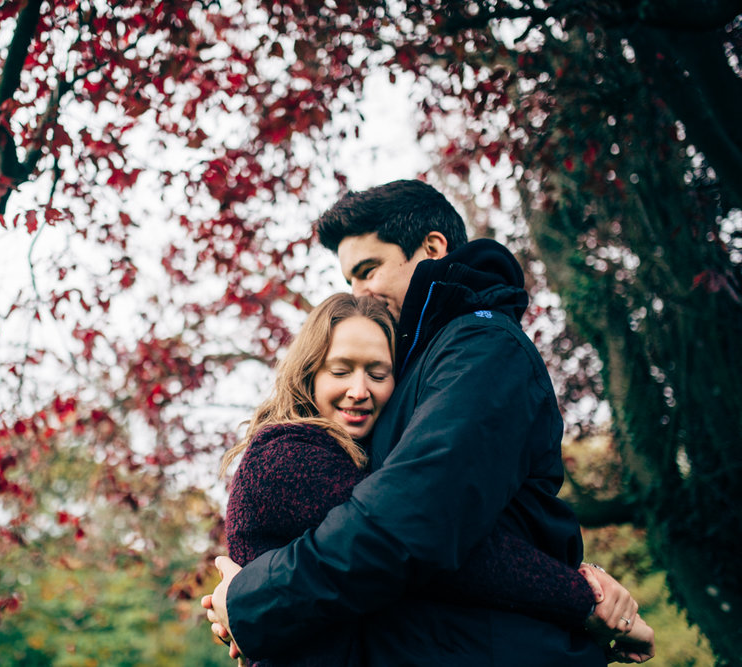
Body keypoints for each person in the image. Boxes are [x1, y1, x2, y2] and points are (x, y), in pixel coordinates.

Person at [203, 180, 657, 665]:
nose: (360, 294)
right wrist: (584, 596)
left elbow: (415, 523)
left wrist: (250, 599)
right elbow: (408, 524)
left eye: (368, 270)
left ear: (432, 247)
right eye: (350, 281)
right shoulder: (316, 436)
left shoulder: (479, 348)